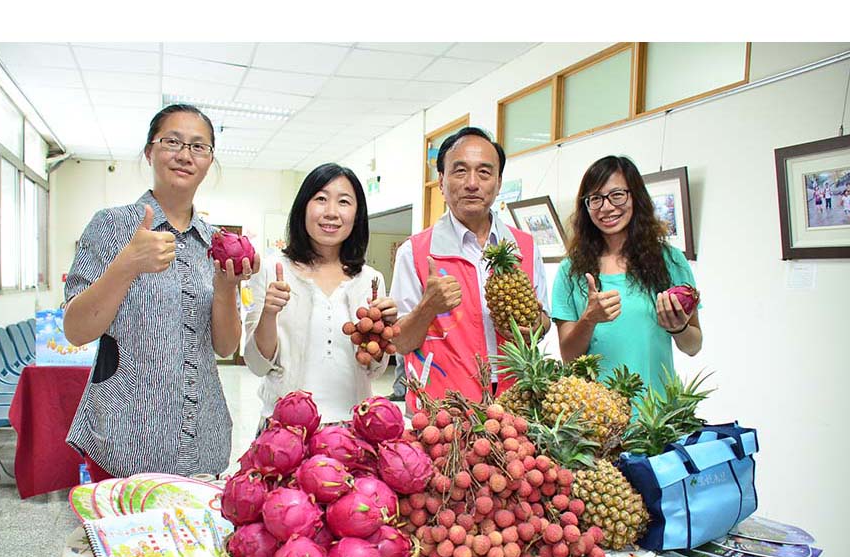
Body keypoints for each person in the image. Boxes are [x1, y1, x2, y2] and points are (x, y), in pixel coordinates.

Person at [63, 104, 258, 481]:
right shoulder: (112, 226)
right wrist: (127, 264)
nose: (185, 155)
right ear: (150, 152)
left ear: (209, 161)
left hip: (203, 435)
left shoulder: (214, 241)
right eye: (173, 142)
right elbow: (75, 330)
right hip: (126, 439)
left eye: (199, 147)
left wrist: (225, 289)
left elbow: (225, 346)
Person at [391, 126, 550, 413]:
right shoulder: (415, 252)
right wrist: (428, 307)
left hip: (515, 406)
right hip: (441, 411)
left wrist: (534, 325)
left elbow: (544, 323)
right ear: (441, 180)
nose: (472, 183)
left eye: (484, 172)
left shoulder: (524, 247)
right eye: (460, 171)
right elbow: (401, 342)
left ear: (499, 182)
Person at [243, 163, 396, 427]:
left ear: (357, 214)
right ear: (303, 207)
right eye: (321, 199)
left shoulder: (370, 279)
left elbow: (374, 370)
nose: (332, 212)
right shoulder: (272, 269)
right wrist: (269, 313)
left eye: (344, 202)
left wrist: (383, 335)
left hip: (351, 430)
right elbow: (258, 364)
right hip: (287, 432)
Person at [550, 155, 702, 397]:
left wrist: (679, 328)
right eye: (596, 199)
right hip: (595, 420)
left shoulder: (670, 261)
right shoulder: (570, 271)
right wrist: (589, 319)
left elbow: (693, 346)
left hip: (655, 419)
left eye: (617, 195)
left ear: (636, 196)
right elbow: (569, 357)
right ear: (585, 207)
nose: (607, 207)